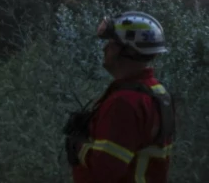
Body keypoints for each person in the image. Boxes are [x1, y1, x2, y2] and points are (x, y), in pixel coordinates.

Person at [65, 11, 175, 183]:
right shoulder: (156, 92)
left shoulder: (125, 102)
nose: (105, 48)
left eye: (111, 43)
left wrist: (78, 145)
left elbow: (106, 169)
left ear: (126, 50)